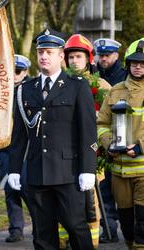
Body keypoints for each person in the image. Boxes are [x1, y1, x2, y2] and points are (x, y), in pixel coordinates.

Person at [8, 28, 97, 250]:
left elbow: (88, 131)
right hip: (37, 173)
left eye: (49, 52)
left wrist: (88, 169)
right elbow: (19, 135)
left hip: (68, 172)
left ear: (61, 56)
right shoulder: (26, 90)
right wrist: (14, 168)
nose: (43, 57)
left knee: (76, 226)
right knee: (42, 232)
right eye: (40, 52)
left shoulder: (77, 86)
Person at [62, 34, 112, 249]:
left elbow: (109, 121)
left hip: (93, 152)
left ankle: (91, 242)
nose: (74, 61)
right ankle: (63, 240)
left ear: (88, 59)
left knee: (90, 201)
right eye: (71, 57)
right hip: (64, 154)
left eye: (78, 56)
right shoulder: (59, 83)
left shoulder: (102, 86)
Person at [97, 38, 144, 250]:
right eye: (134, 62)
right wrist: (109, 144)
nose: (138, 66)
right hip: (119, 170)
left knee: (142, 222)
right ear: (127, 63)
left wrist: (141, 146)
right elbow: (102, 124)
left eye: (143, 63)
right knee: (126, 223)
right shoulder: (115, 91)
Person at [93, 38, 124, 243]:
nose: (103, 59)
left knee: (121, 188)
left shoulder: (125, 76)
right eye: (100, 55)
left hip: (121, 138)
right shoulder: (93, 76)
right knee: (103, 188)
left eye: (107, 55)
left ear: (116, 56)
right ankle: (109, 228)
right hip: (99, 139)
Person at [0, 54, 31, 242]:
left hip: (25, 148)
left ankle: (40, 224)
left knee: (27, 187)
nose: (15, 75)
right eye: (12, 70)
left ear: (25, 72)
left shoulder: (31, 88)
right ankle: (15, 229)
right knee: (10, 189)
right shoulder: (3, 90)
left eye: (18, 71)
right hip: (5, 147)